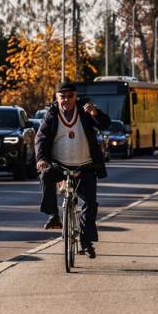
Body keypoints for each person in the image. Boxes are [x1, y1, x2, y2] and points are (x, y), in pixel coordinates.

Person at [35, 81, 111, 259]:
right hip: (59, 165)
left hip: (85, 165)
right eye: (62, 97)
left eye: (70, 96)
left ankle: (86, 241)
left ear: (76, 97)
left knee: (90, 203)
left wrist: (96, 113)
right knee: (45, 175)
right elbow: (41, 138)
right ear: (57, 98)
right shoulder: (51, 115)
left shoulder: (85, 111)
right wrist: (41, 159)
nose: (66, 100)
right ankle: (53, 215)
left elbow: (105, 124)